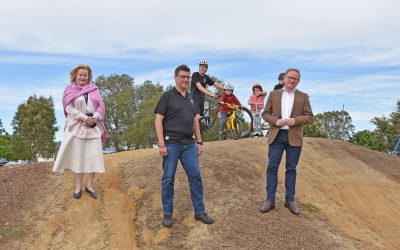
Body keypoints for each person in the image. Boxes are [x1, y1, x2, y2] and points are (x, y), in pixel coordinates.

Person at [154, 64, 214, 228]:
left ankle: (199, 212)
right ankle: (167, 214)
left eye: (188, 77)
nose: (186, 79)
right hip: (171, 144)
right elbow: (158, 120)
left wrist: (199, 141)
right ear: (175, 77)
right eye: (182, 77)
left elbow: (195, 120)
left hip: (189, 145)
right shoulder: (167, 96)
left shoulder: (191, 97)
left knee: (195, 177)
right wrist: (161, 144)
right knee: (168, 178)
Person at [259, 68, 313, 215]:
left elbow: (309, 117)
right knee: (272, 167)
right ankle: (269, 200)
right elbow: (265, 113)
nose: (292, 80)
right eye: (289, 77)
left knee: (291, 169)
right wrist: (275, 121)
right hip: (276, 136)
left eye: (295, 78)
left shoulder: (303, 97)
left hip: (294, 137)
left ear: (298, 81)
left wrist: (296, 120)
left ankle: (290, 200)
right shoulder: (274, 94)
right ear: (284, 79)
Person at [53, 64, 108, 200]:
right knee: (79, 158)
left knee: (93, 157)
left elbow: (101, 106)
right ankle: (78, 187)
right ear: (75, 77)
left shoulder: (94, 90)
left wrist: (94, 117)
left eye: (85, 75)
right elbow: (68, 108)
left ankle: (89, 186)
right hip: (77, 126)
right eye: (80, 75)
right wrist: (85, 118)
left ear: (89, 77)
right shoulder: (69, 90)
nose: (83, 77)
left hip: (94, 127)